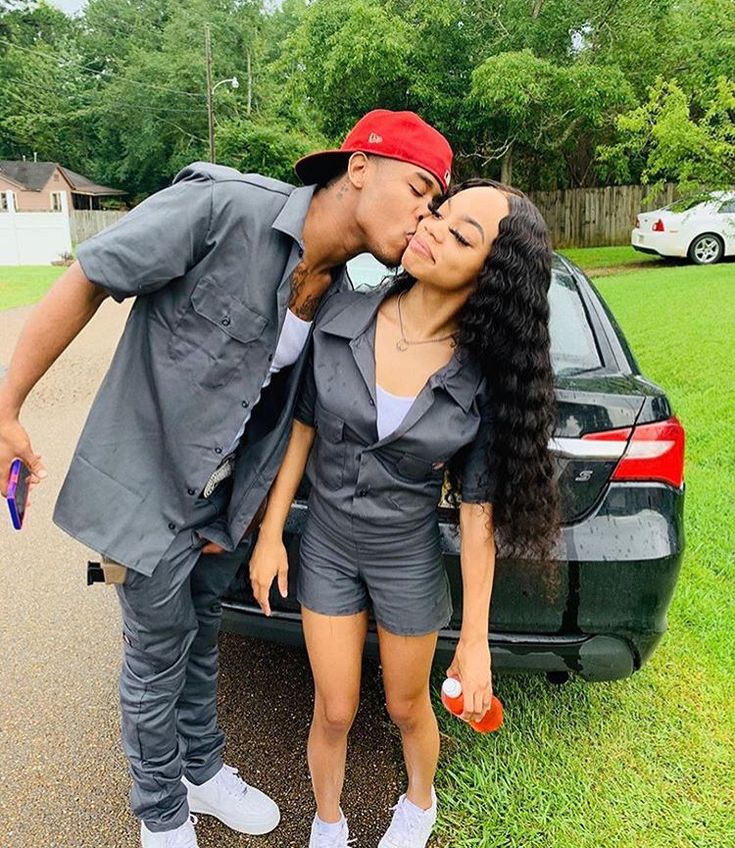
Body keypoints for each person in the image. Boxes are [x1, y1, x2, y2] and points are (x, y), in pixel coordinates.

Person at [0, 110, 453, 848]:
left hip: (224, 503)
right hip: (147, 486)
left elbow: (285, 409)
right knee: (155, 653)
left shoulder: (341, 292)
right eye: (420, 189)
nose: (424, 215)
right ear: (360, 166)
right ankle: (161, 815)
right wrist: (7, 404)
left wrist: (243, 515)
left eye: (437, 205)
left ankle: (202, 771)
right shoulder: (223, 208)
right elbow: (90, 275)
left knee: (203, 633)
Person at [248, 178, 560, 848]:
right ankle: (326, 819)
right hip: (327, 546)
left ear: (491, 274)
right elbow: (301, 430)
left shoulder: (479, 379)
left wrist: (473, 644)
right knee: (332, 709)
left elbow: (475, 517)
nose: (431, 227)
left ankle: (419, 801)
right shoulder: (343, 312)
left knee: (404, 703)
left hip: (405, 559)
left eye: (460, 234)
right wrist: (272, 533)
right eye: (440, 213)